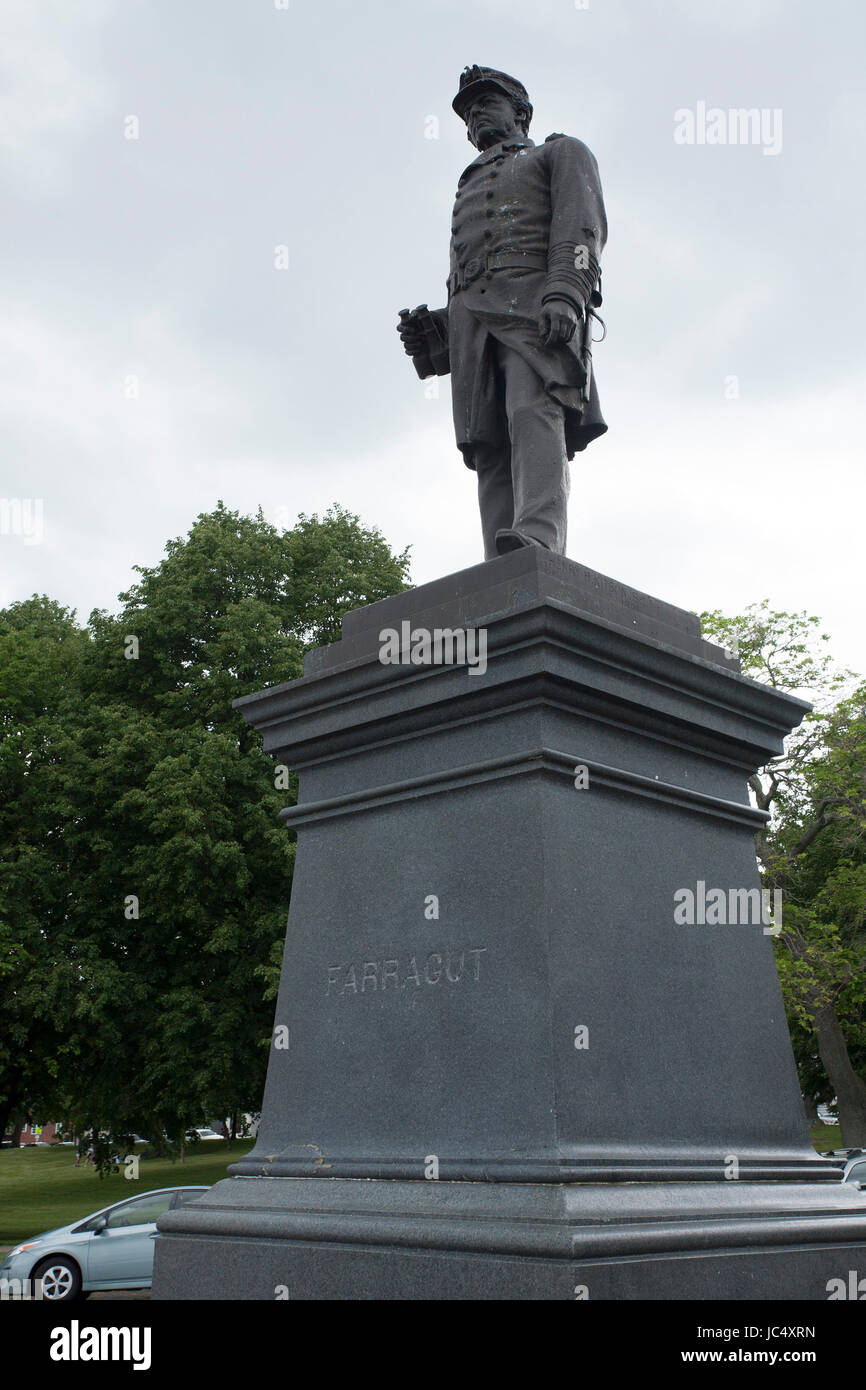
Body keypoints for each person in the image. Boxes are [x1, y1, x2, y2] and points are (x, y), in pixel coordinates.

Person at [398, 66, 608, 560]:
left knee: (531, 412)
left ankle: (538, 538)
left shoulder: (560, 153)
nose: (474, 118)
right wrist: (436, 335)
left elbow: (582, 228)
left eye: (485, 104)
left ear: (521, 112)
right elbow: (469, 274)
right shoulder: (466, 183)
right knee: (486, 441)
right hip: (474, 327)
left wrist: (565, 292)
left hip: (533, 309)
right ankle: (500, 559)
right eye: (467, 114)